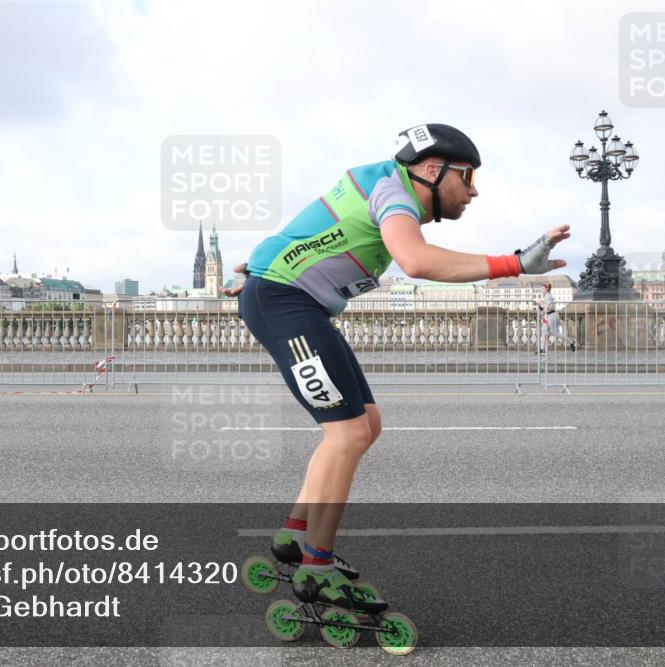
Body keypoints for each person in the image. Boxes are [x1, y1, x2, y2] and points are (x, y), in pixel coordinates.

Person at [222, 123, 570, 610]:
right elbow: (417, 262)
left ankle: (295, 535)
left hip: (289, 299)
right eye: (466, 177)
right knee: (346, 435)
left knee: (367, 423)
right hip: (286, 302)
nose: (473, 190)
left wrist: (260, 270)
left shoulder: (382, 183)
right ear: (432, 170)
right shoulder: (394, 194)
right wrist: (515, 264)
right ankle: (316, 569)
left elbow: (310, 232)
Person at [538, 282, 576, 352]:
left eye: (542, 289)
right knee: (544, 333)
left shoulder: (548, 296)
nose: (541, 290)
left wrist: (542, 304)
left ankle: (571, 342)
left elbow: (551, 307)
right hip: (548, 316)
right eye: (541, 289)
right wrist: (541, 308)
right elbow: (546, 309)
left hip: (552, 316)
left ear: (547, 289)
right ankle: (542, 349)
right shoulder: (546, 296)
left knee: (556, 334)